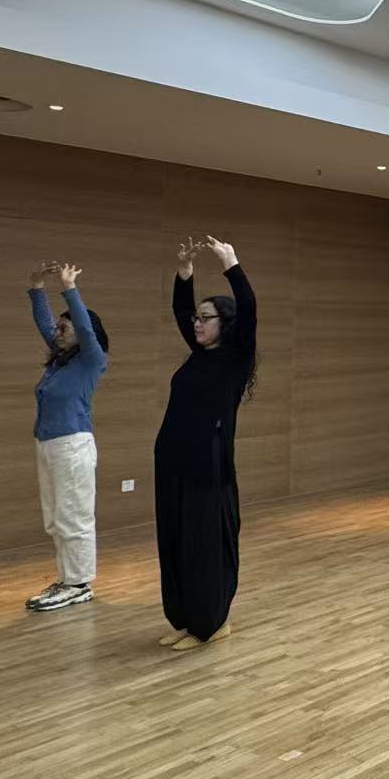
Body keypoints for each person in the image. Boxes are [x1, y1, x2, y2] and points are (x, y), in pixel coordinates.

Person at [155, 235, 256, 651]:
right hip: (172, 461)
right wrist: (185, 272)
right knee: (175, 541)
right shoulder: (198, 355)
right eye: (197, 318)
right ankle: (183, 618)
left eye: (205, 318)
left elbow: (249, 308)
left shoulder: (235, 358)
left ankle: (210, 624)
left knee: (204, 546)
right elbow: (180, 309)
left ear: (225, 324)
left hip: (207, 469)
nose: (196, 323)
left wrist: (231, 264)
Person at [24, 261, 110, 613]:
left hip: (73, 446)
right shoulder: (61, 361)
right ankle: (67, 578)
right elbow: (44, 322)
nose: (57, 331)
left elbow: (85, 329)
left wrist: (69, 289)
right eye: (58, 327)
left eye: (64, 327)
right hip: (48, 444)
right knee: (55, 516)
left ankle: (78, 583)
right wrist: (36, 287)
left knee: (73, 516)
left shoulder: (91, 359)